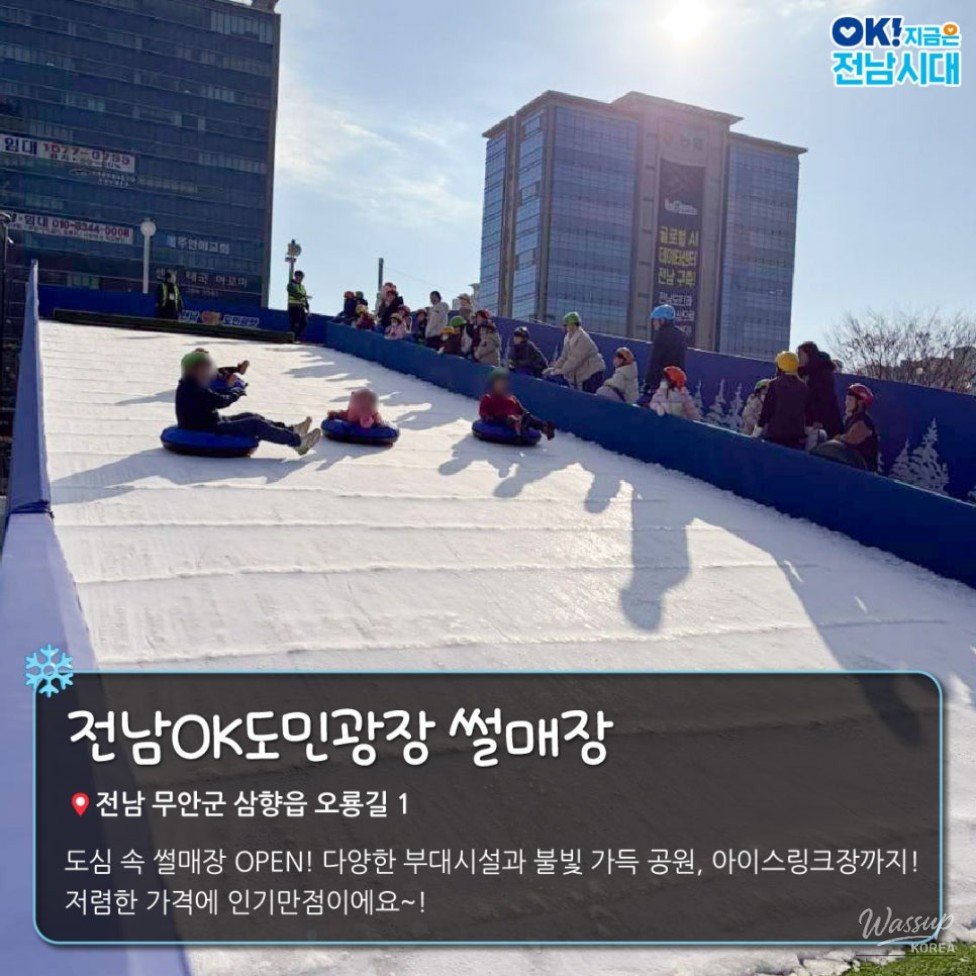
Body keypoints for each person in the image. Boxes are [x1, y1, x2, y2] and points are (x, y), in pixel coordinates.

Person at [175, 350, 321, 455]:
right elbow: (222, 401)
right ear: (196, 369)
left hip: (209, 421)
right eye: (206, 367)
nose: (209, 370)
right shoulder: (192, 387)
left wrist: (232, 390)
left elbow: (212, 398)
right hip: (206, 427)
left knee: (251, 415)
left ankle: (291, 430)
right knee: (254, 424)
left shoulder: (191, 384)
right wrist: (236, 390)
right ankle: (298, 443)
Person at [479, 368, 555, 440]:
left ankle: (545, 428)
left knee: (529, 418)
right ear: (493, 385)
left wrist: (525, 414)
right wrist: (487, 417)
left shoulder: (512, 398)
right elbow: (482, 411)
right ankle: (519, 427)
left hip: (518, 417)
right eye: (500, 383)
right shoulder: (488, 398)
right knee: (511, 418)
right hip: (501, 418)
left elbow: (521, 410)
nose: (503, 385)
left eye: (505, 383)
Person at [755, 351, 810, 449]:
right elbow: (808, 412)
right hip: (795, 437)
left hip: (775, 435)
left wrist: (755, 434)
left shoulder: (774, 384)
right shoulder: (804, 387)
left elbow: (766, 411)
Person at [544, 312, 606, 393]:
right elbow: (563, 357)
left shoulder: (583, 340)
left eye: (566, 325)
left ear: (573, 325)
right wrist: (554, 369)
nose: (564, 327)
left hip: (593, 373)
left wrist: (558, 372)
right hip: (585, 373)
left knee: (590, 399)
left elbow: (573, 362)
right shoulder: (568, 337)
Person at [797, 341, 843, 438]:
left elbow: (824, 399)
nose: (798, 358)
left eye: (800, 355)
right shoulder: (803, 373)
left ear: (808, 354)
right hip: (809, 422)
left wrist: (818, 419)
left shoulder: (822, 373)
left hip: (823, 424)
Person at [830, 383, 880, 470]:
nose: (846, 403)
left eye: (850, 400)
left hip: (863, 471)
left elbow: (851, 438)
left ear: (860, 403)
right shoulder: (851, 419)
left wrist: (837, 438)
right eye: (846, 400)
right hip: (853, 467)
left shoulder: (863, 421)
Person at [642, 304, 687, 397]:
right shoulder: (680, 335)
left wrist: (649, 382)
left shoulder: (661, 335)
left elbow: (656, 360)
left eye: (655, 320)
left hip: (660, 382)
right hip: (675, 382)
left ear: (662, 320)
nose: (654, 323)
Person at [287, 270, 310, 338]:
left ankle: (295, 337)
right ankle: (291, 337)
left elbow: (305, 298)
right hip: (293, 307)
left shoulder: (302, 287)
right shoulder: (291, 285)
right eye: (300, 277)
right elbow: (293, 293)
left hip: (301, 308)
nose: (301, 279)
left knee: (304, 322)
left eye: (302, 278)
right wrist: (303, 296)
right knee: (294, 323)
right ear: (296, 277)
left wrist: (307, 308)